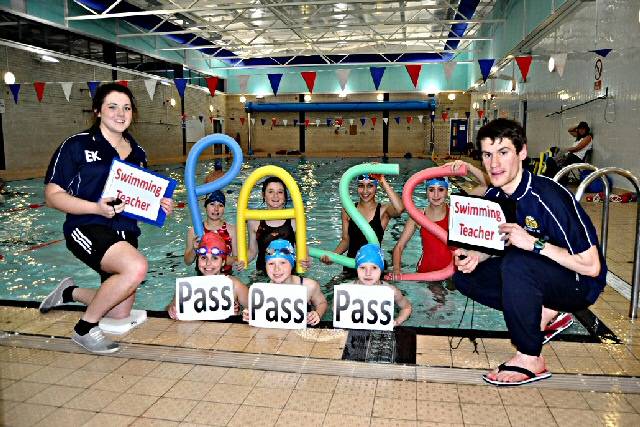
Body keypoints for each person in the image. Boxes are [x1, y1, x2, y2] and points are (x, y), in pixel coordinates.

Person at [453, 118, 606, 386]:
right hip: (542, 273)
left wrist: (534, 244)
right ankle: (547, 311)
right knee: (466, 277)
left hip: (582, 283)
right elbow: (500, 243)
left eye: (503, 152)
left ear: (522, 152)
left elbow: (592, 267)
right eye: (487, 155)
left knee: (517, 263)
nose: (494, 164)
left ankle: (530, 358)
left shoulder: (547, 197)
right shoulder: (496, 197)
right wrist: (477, 256)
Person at [40, 83, 174, 354]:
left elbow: (136, 198)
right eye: (112, 106)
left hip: (125, 233)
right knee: (136, 268)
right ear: (98, 111)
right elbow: (52, 196)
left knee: (118, 312)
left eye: (126, 108)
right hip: (87, 225)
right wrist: (95, 207)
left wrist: (157, 204)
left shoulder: (138, 153)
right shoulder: (76, 145)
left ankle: (69, 293)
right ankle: (84, 329)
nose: (120, 113)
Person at [388, 160, 487, 279]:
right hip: (426, 273)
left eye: (441, 189)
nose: (436, 195)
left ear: (447, 191)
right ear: (426, 192)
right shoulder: (418, 216)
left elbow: (486, 185)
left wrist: (469, 167)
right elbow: (399, 246)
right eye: (431, 190)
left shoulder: (457, 211)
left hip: (454, 272)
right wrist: (397, 269)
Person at [320, 173, 404, 276]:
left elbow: (400, 208)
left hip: (374, 267)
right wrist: (333, 256)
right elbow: (346, 240)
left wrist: (382, 181)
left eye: (370, 186)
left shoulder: (383, 210)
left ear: (376, 187)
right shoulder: (348, 210)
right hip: (352, 265)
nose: (365, 191)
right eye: (361, 186)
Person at [243, 239, 327, 326]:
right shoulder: (261, 291)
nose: (277, 269)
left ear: (292, 264)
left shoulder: (309, 286)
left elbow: (322, 303)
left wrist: (317, 314)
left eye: (283, 263)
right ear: (266, 266)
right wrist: (249, 315)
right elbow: (256, 313)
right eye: (271, 264)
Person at [235, 176, 309, 274]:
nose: (275, 196)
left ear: (285, 196)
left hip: (289, 274)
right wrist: (242, 261)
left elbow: (302, 248)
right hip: (263, 274)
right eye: (270, 192)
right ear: (263, 195)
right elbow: (252, 252)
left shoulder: (295, 221)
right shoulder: (254, 222)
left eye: (280, 192)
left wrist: (306, 259)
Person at [167, 232, 248, 320]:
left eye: (215, 258)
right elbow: (170, 307)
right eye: (203, 258)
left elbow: (257, 311)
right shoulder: (187, 287)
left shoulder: (235, 286)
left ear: (223, 262)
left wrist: (240, 313)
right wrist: (171, 309)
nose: (208, 263)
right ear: (197, 260)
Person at [353, 243, 412, 326]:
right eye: (362, 268)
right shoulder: (346, 289)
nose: (368, 273)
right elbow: (336, 310)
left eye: (374, 267)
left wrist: (397, 321)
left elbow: (406, 307)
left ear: (381, 270)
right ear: (356, 269)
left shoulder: (391, 291)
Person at [184, 190, 236, 275]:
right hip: (202, 275)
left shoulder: (232, 230)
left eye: (220, 205)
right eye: (212, 204)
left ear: (224, 209)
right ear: (205, 206)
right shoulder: (194, 231)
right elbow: (187, 262)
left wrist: (217, 257)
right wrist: (194, 250)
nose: (216, 209)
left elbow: (237, 259)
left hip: (226, 276)